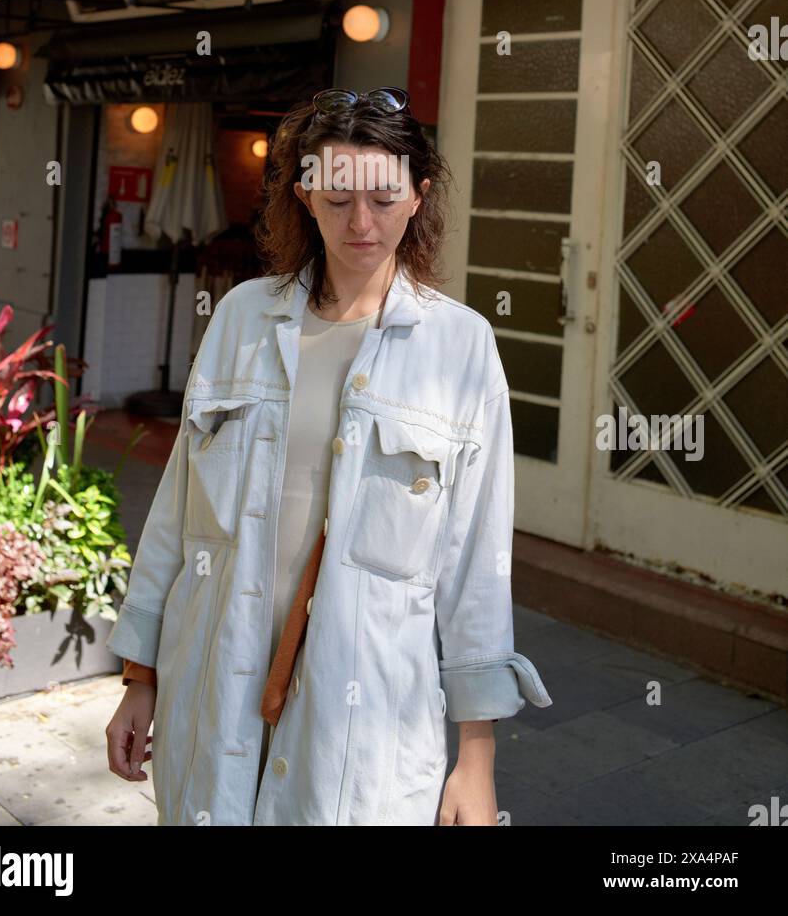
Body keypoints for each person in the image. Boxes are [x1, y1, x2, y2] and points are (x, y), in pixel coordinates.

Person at [104, 87, 552, 825]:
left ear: (418, 196)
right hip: (215, 682)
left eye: (383, 196)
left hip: (366, 714)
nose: (361, 222)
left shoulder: (461, 345)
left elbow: (475, 564)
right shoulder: (243, 319)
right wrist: (140, 675)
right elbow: (178, 517)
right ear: (306, 196)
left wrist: (475, 761)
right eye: (338, 197)